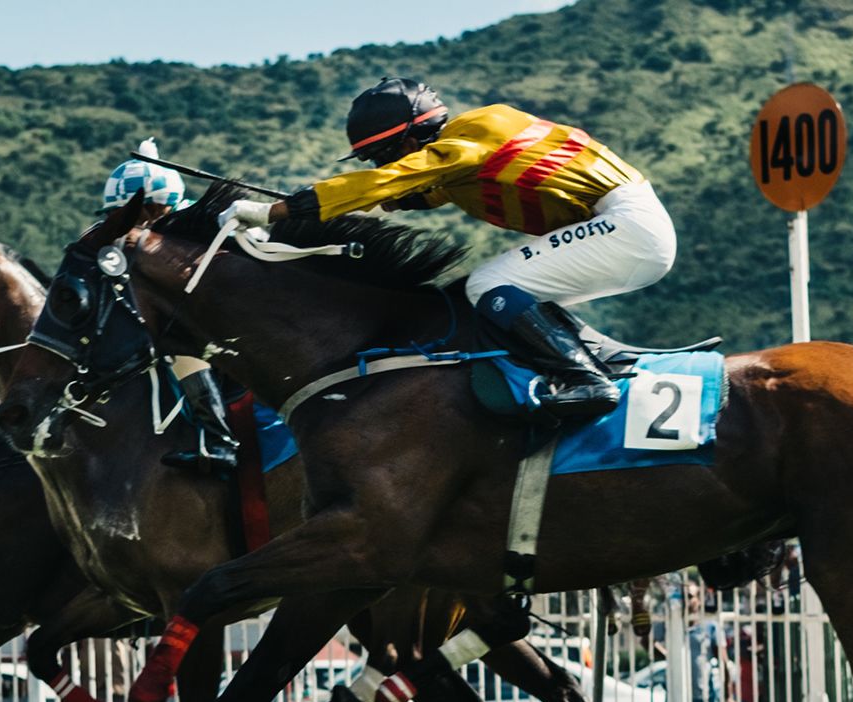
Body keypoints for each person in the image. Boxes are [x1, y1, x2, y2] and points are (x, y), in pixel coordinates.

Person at [221, 78, 676, 419]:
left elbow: (394, 179)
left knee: (489, 284)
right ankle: (597, 360)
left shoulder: (476, 130)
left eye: (383, 154)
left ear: (409, 138)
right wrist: (375, 200)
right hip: (624, 227)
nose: (382, 164)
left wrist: (272, 212)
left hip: (624, 224)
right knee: (506, 295)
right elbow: (422, 190)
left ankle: (586, 380)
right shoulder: (465, 154)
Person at [102, 139, 239, 473]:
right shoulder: (138, 240)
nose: (121, 225)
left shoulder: (200, 227)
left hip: (229, 327)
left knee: (181, 353)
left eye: (127, 215)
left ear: (153, 209)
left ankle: (218, 441)